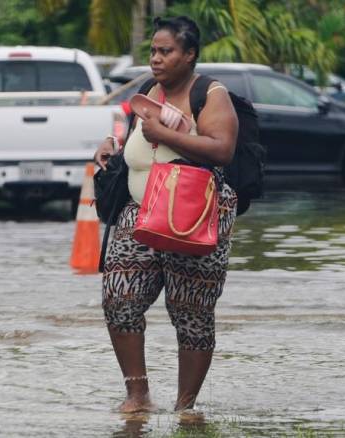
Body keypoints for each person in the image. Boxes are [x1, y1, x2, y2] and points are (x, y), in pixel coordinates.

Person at [93, 16, 239, 413]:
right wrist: (110, 150)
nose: (156, 59)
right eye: (153, 51)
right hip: (138, 211)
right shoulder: (147, 90)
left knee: (191, 311)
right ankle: (137, 395)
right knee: (119, 298)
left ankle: (185, 406)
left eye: (166, 51)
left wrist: (167, 135)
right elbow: (136, 144)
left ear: (189, 55)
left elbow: (222, 148)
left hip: (195, 214)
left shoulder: (210, 94)